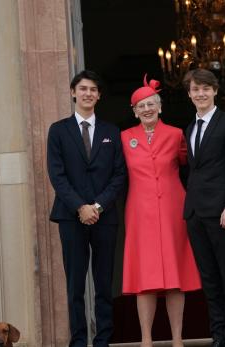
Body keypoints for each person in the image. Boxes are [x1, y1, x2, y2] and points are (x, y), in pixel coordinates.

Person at [47, 70, 127, 347]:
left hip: (105, 217)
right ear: (73, 92)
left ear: (99, 96)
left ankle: (103, 339)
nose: (88, 93)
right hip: (70, 216)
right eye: (83, 89)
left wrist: (98, 205)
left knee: (104, 283)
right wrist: (80, 206)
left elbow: (119, 174)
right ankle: (79, 340)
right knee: (75, 285)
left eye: (93, 89)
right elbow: (56, 175)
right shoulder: (58, 131)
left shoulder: (111, 132)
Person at [121, 75, 201, 347]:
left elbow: (192, 167)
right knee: (145, 275)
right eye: (140, 106)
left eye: (151, 104)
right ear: (134, 111)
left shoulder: (177, 134)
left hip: (172, 208)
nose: (146, 109)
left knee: (174, 275)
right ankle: (146, 339)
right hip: (139, 211)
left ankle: (177, 338)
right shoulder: (124, 138)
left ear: (160, 106)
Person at [182, 69, 225, 347]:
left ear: (215, 91)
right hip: (195, 213)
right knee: (209, 278)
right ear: (189, 94)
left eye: (206, 88)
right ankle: (217, 334)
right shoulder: (190, 128)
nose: (201, 94)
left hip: (222, 212)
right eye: (196, 89)